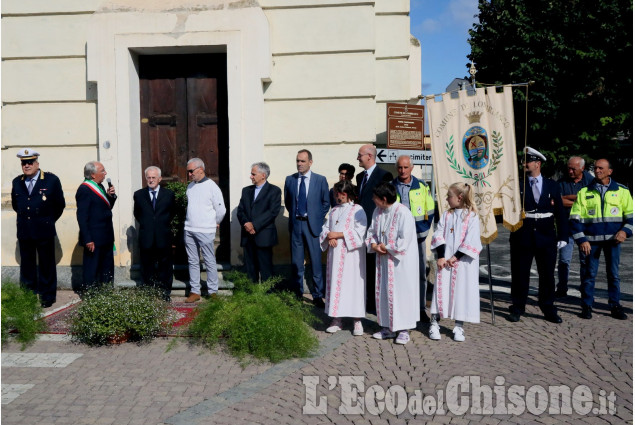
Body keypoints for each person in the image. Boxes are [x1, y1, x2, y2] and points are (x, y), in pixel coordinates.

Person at [508, 147, 568, 324]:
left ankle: (548, 307)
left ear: (537, 163)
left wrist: (563, 236)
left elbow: (560, 213)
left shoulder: (552, 185)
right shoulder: (517, 184)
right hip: (522, 235)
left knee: (547, 275)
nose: (524, 164)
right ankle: (517, 307)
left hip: (546, 237)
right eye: (524, 161)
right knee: (520, 274)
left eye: (528, 161)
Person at [570, 159, 632, 320]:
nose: (597, 171)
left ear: (610, 171)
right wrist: (582, 239)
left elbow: (631, 217)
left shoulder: (623, 191)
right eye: (596, 168)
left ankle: (615, 306)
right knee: (589, 274)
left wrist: (625, 232)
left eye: (601, 168)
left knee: (613, 274)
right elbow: (574, 219)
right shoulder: (584, 192)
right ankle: (587, 306)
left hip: (613, 241)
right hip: (590, 242)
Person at [366, 182, 419, 345]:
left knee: (401, 293)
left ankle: (403, 330)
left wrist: (386, 247)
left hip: (400, 263)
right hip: (383, 261)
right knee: (384, 292)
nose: (373, 200)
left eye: (375, 198)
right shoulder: (378, 211)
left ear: (383, 198)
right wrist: (374, 244)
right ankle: (388, 327)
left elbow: (405, 240)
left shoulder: (403, 213)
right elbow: (372, 232)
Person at [11, 148, 65, 308]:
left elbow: (59, 205)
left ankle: (47, 296)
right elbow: (16, 205)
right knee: (27, 265)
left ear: (37, 163)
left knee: (46, 264)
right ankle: (28, 295)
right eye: (23, 163)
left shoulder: (51, 180)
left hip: (44, 229)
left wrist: (47, 220)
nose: (26, 166)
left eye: (29, 162)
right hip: (25, 230)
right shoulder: (17, 181)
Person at [429, 183, 482, 342]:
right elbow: (438, 234)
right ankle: (434, 322)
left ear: (459, 198)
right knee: (440, 290)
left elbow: (472, 240)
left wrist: (456, 256)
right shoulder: (446, 215)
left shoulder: (472, 217)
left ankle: (459, 326)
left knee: (462, 292)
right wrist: (441, 256)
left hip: (463, 263)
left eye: (449, 196)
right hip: (445, 261)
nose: (446, 199)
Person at [320, 180, 367, 336]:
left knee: (353, 285)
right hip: (335, 255)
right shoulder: (333, 211)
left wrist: (338, 235)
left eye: (337, 194)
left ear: (345, 194)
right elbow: (326, 228)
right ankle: (337, 319)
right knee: (336, 285)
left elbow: (359, 232)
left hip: (351, 256)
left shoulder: (357, 210)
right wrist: (328, 236)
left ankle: (357, 321)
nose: (335, 197)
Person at [284, 149, 330, 307]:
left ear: (310, 162)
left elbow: (326, 203)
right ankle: (297, 293)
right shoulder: (290, 180)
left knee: (316, 262)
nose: (299, 164)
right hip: (296, 224)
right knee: (296, 262)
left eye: (302, 161)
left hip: (313, 226)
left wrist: (316, 219)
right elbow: (289, 202)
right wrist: (297, 217)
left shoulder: (320, 180)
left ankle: (317, 295)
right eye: (297, 161)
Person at [392, 155, 435, 322]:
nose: (402, 171)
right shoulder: (390, 187)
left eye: (405, 167)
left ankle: (420, 309)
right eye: (400, 168)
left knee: (420, 274)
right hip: (396, 240)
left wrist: (422, 232)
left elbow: (430, 210)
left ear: (411, 168)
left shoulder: (422, 186)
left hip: (417, 238)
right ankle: (400, 308)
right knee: (398, 274)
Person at [355, 144, 393, 313]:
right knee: (363, 266)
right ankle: (365, 300)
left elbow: (386, 203)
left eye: (360, 155)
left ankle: (376, 303)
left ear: (369, 156)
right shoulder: (359, 177)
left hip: (376, 228)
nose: (358, 158)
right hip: (361, 228)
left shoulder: (384, 175)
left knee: (375, 267)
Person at [183, 158, 226, 303]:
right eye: (188, 171)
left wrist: (216, 222)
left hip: (205, 230)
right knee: (193, 260)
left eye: (191, 171)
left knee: (209, 260)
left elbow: (221, 209)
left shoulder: (212, 186)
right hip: (189, 229)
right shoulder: (190, 187)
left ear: (200, 169)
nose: (189, 174)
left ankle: (212, 291)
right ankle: (195, 291)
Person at [133, 166, 176, 301]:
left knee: (165, 266)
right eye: (148, 178)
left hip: (163, 236)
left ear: (160, 179)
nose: (151, 180)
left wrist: (160, 225)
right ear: (145, 178)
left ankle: (165, 293)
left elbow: (172, 212)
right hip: (147, 236)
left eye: (153, 178)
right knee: (147, 266)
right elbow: (137, 214)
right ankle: (148, 293)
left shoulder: (169, 194)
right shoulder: (139, 194)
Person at [75, 161, 117, 292]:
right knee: (92, 270)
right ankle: (90, 296)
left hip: (106, 236)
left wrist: (111, 197)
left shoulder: (100, 187)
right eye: (102, 171)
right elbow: (82, 216)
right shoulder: (84, 189)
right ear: (93, 174)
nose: (105, 173)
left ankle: (107, 294)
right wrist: (87, 239)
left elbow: (105, 208)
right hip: (94, 239)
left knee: (107, 268)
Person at [237, 162, 281, 283]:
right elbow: (240, 211)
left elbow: (272, 212)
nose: (250, 176)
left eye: (253, 174)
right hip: (248, 236)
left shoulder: (274, 191)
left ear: (263, 175)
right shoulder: (246, 191)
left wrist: (255, 225)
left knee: (266, 269)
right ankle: (252, 297)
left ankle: (267, 299)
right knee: (251, 270)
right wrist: (246, 223)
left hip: (264, 236)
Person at [555, 156, 594, 298]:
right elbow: (556, 201)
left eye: (573, 169)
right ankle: (562, 287)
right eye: (569, 168)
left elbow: (592, 203)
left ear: (582, 168)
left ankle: (585, 288)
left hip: (585, 228)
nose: (570, 171)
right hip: (567, 226)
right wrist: (578, 200)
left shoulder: (591, 182)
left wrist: (567, 199)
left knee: (586, 260)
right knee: (564, 260)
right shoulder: (561, 182)